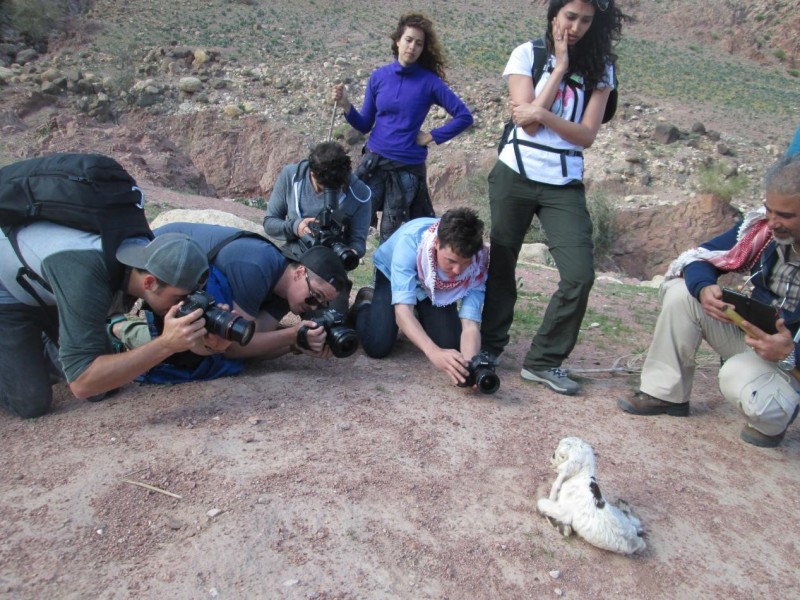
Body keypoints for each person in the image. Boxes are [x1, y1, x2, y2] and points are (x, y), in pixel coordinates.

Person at [480, 0, 629, 395]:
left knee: (580, 274)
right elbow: (524, 126)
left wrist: (543, 114)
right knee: (502, 261)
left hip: (563, 182)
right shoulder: (528, 54)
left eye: (585, 19)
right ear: (554, 15)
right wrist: (559, 67)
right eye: (570, 16)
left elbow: (586, 136)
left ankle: (543, 360)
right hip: (515, 172)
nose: (576, 26)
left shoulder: (601, 67)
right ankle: (489, 346)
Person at [618, 154, 800, 448]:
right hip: (754, 337)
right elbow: (700, 256)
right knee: (681, 292)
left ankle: (775, 414)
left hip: (790, 362)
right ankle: (665, 393)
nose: (773, 222)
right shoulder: (763, 229)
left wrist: (790, 353)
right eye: (769, 210)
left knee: (736, 374)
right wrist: (704, 288)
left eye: (786, 216)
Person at [0, 224, 210, 419]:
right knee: (32, 401)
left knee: (105, 386)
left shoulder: (135, 259)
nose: (183, 305)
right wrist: (166, 344)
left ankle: (38, 350)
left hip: (50, 285)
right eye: (179, 298)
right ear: (149, 282)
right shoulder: (88, 278)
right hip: (9, 289)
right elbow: (82, 384)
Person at [111, 223, 350, 379]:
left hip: (184, 281)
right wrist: (290, 335)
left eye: (322, 305)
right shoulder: (258, 265)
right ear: (299, 273)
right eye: (315, 296)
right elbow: (233, 348)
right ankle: (118, 328)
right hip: (162, 269)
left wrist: (297, 343)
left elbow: (249, 345)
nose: (314, 307)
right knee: (194, 349)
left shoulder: (284, 294)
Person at [331, 13, 474, 243]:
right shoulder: (379, 77)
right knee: (349, 221)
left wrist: (430, 136)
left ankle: (382, 280)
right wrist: (346, 105)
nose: (413, 47)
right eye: (409, 40)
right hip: (373, 164)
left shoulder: (430, 82)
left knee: (390, 237)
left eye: (419, 43)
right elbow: (365, 124)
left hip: (407, 170)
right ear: (398, 40)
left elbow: (464, 116)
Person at [350, 207, 490, 387]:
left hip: (434, 288)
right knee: (377, 345)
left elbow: (470, 323)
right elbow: (403, 311)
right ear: (437, 243)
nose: (457, 271)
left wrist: (470, 366)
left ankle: (420, 319)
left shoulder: (478, 261)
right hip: (391, 273)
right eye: (451, 261)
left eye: (465, 263)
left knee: (451, 346)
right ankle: (364, 304)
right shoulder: (409, 242)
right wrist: (433, 352)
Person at [263, 141, 370, 312]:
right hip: (294, 256)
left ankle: (358, 306)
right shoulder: (292, 176)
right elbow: (270, 223)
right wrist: (295, 227)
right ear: (312, 173)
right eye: (322, 188)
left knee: (329, 327)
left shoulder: (360, 192)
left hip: (329, 268)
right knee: (261, 305)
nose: (329, 193)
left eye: (337, 188)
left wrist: (352, 251)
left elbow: (358, 241)